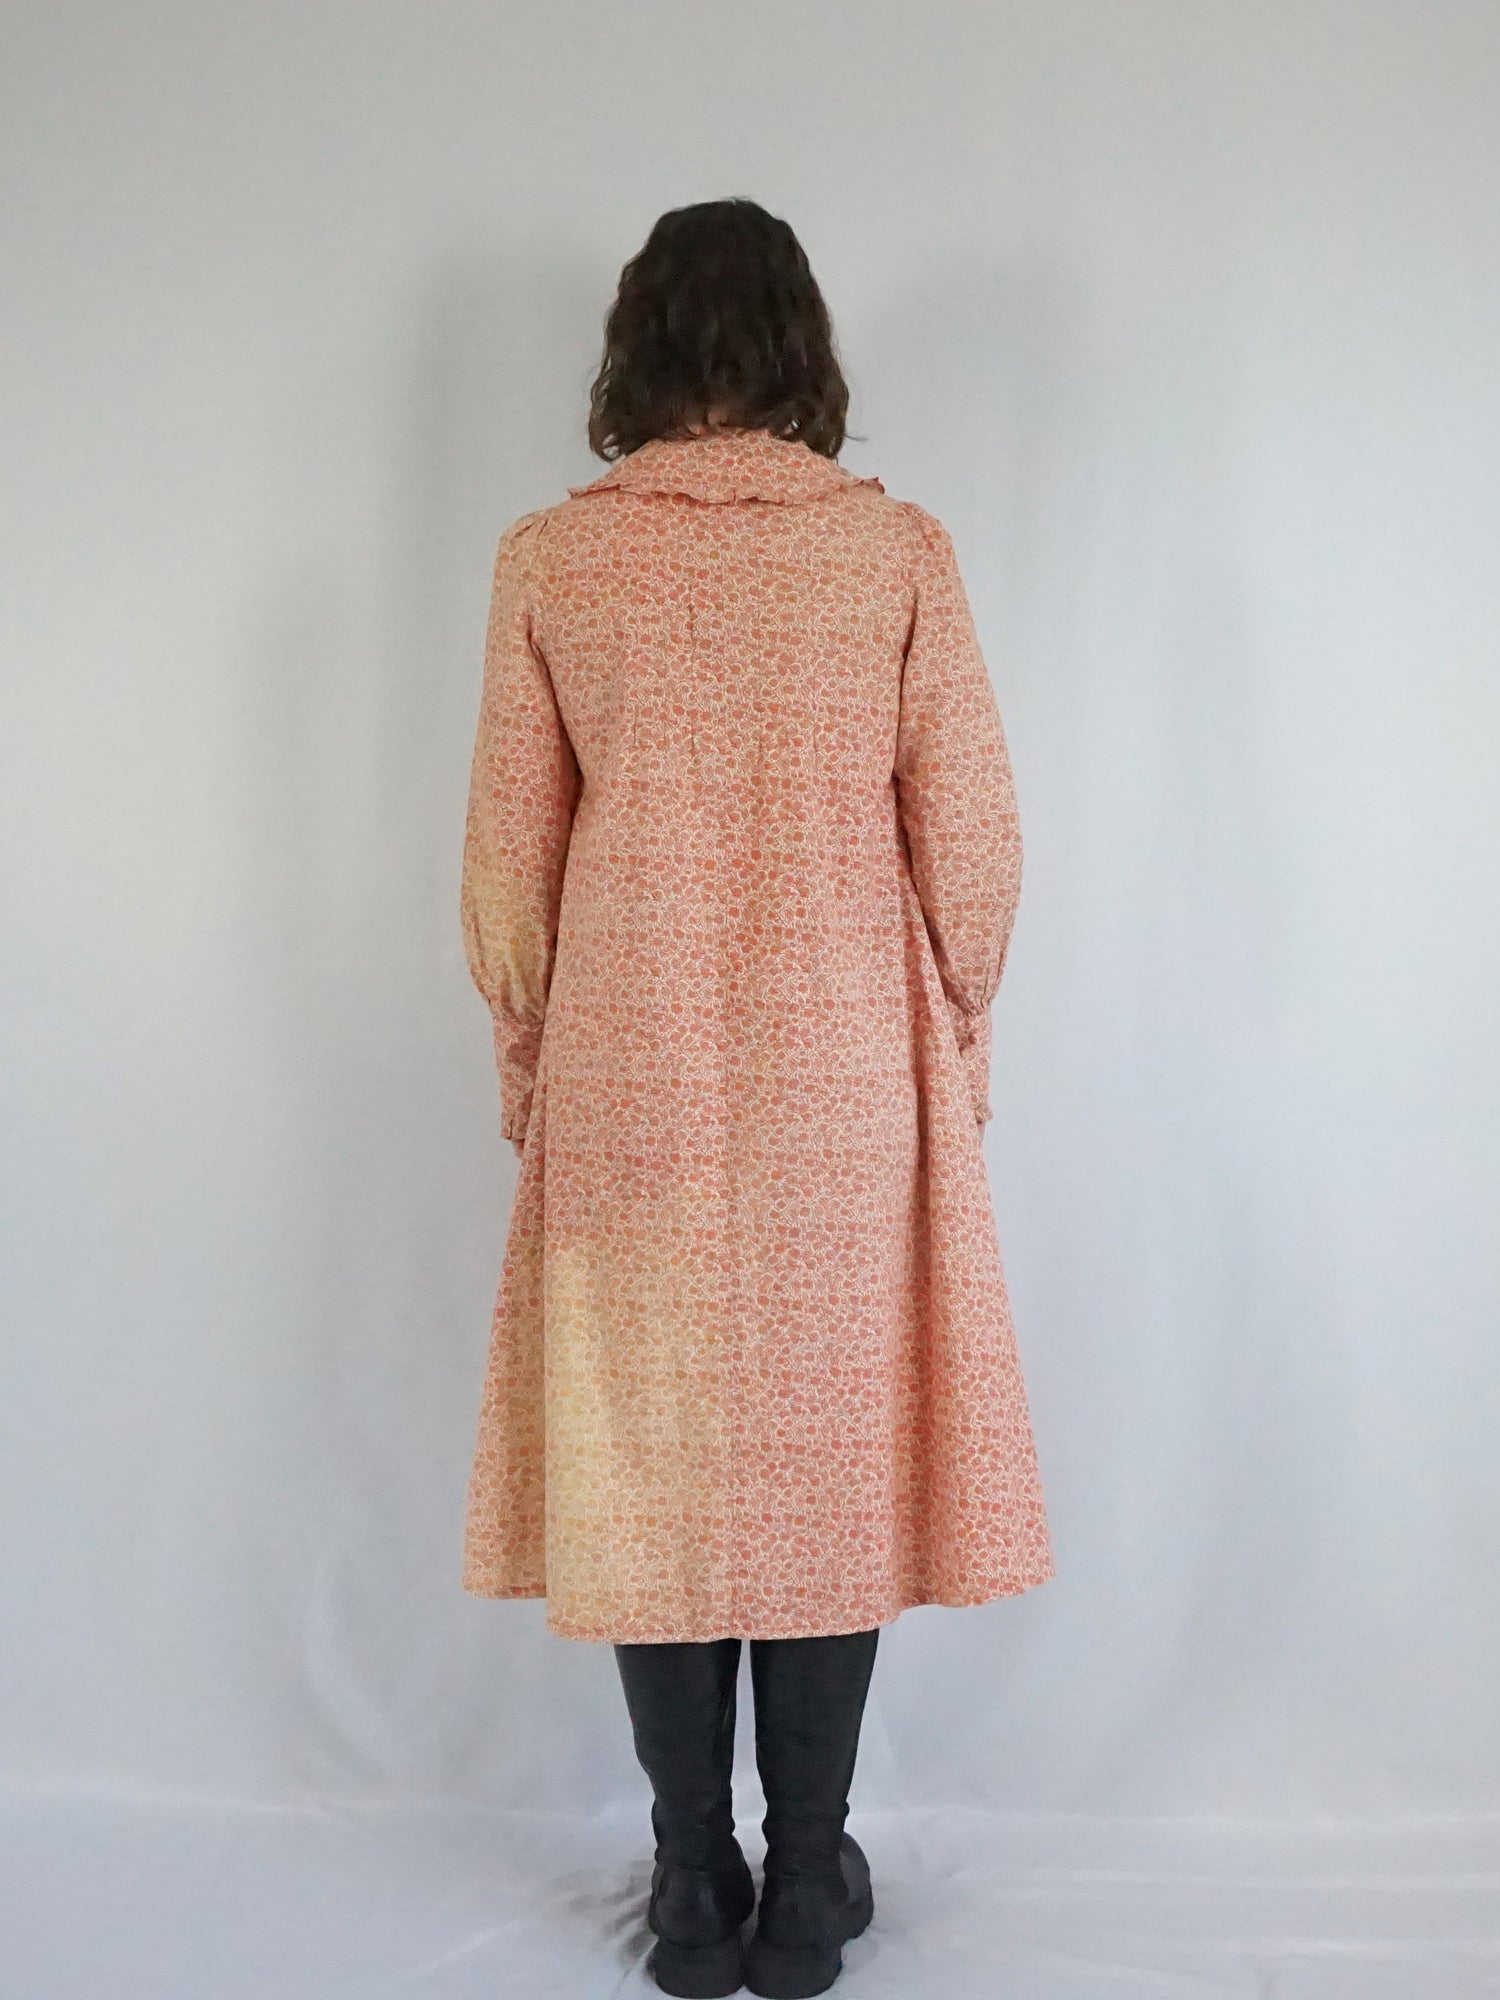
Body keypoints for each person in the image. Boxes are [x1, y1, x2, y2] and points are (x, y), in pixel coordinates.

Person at [459, 197, 1054, 1998]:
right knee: (825, 1467)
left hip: (629, 1074)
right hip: (846, 1078)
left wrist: (531, 1066)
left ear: (636, 345)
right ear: (803, 346)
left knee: (647, 1462)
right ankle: (805, 1887)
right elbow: (977, 845)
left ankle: (688, 1883)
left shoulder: (554, 560)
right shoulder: (892, 554)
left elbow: (507, 874)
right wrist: (956, 1039)